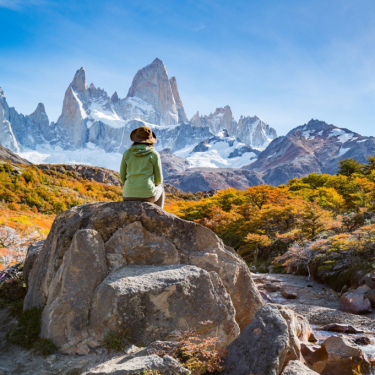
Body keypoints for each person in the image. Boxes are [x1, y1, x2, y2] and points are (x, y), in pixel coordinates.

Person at [120, 126, 164, 208]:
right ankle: (158, 214)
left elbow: (122, 177)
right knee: (161, 187)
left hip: (127, 195)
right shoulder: (154, 154)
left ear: (135, 139)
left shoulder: (127, 153)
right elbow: (158, 180)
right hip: (148, 195)